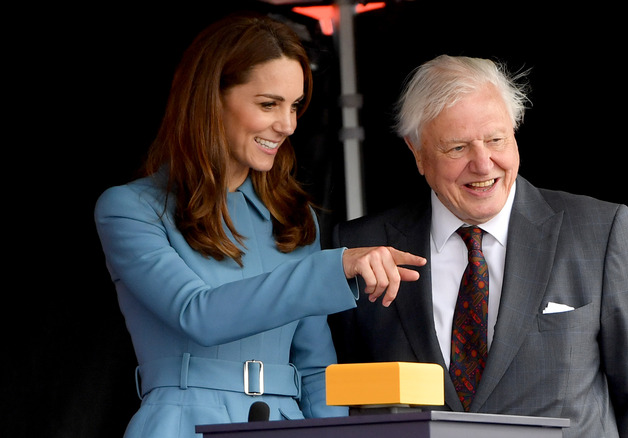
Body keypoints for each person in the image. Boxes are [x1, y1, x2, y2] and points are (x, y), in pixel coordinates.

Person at [94, 12, 426, 438]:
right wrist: (335, 266)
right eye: (268, 104)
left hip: (285, 425)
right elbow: (198, 314)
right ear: (209, 99)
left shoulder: (292, 217)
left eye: (294, 106)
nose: (287, 125)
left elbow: (314, 368)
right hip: (181, 425)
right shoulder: (129, 208)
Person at [327, 55, 628, 437]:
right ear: (417, 152)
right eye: (457, 148)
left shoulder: (599, 232)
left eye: (496, 139)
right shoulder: (359, 247)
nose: (483, 164)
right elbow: (344, 399)